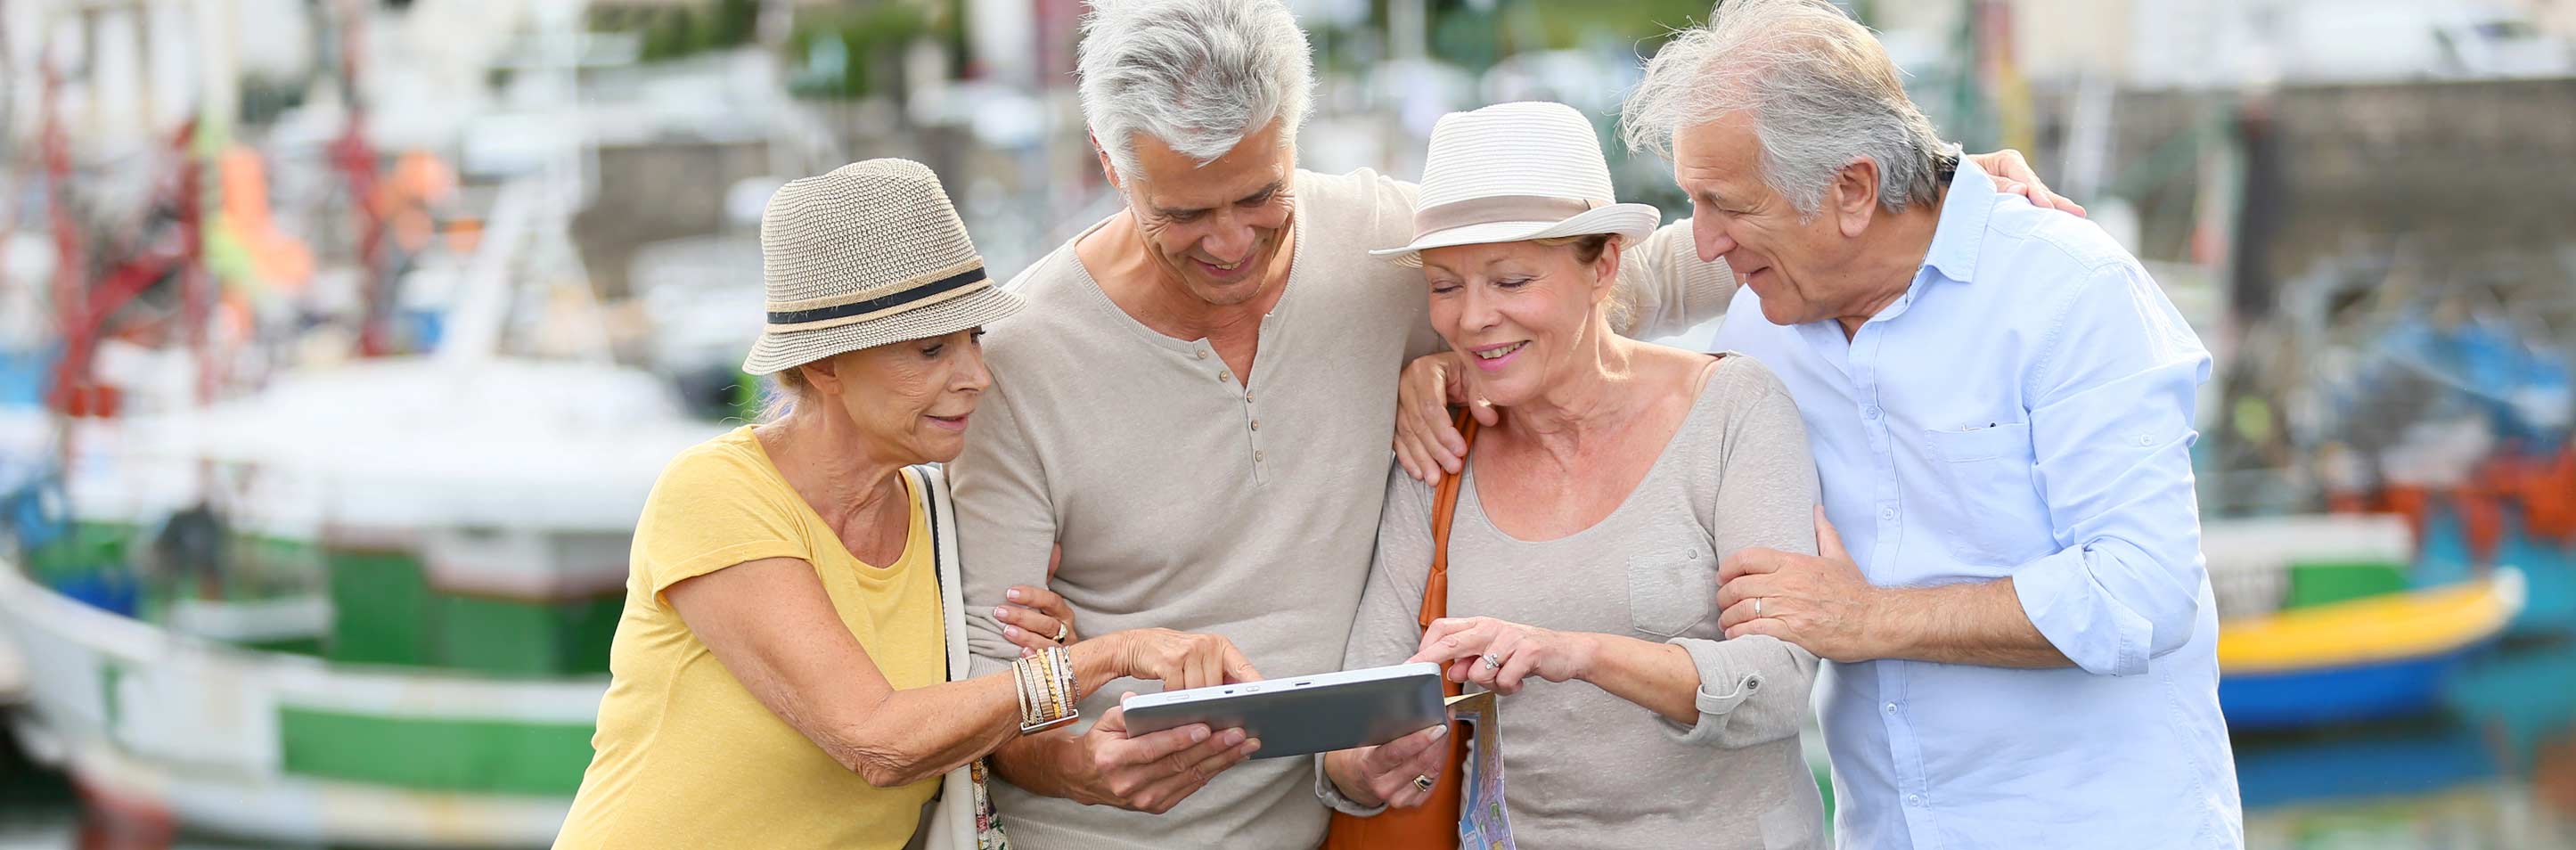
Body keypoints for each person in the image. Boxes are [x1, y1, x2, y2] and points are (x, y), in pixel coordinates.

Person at [954, 2, 2081, 847]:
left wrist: (1913, 196)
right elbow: (989, 695)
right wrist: (1073, 766)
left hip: (1339, 833)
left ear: (1292, 144)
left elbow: (1606, 275)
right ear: (1109, 168)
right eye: (1181, 214)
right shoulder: (1020, 357)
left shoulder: (1382, 246)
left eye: (1260, 198)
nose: (1232, 245)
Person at [1399, 1, 2240, 846]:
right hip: (1883, 829)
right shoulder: (1772, 289)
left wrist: (1868, 618)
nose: (1707, 242)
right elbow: (1588, 281)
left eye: (1724, 204)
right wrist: (1456, 364)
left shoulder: (2067, 292)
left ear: (1852, 189)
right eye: (1695, 203)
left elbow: (2140, 591)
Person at [554, 159, 1255, 850]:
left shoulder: (944, 514)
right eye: (929, 351)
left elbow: (980, 727)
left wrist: (1060, 703)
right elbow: (878, 741)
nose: (977, 377)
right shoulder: (716, 492)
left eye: (972, 340)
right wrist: (1106, 657)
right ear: (822, 366)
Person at [1319, 102, 1827, 849]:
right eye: (1446, 286)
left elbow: (1778, 684)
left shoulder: (1730, 408)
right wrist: (1368, 763)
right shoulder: (1440, 445)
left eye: (1511, 280)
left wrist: (1576, 653)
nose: (1472, 318)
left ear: (1606, 267)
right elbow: (1358, 716)